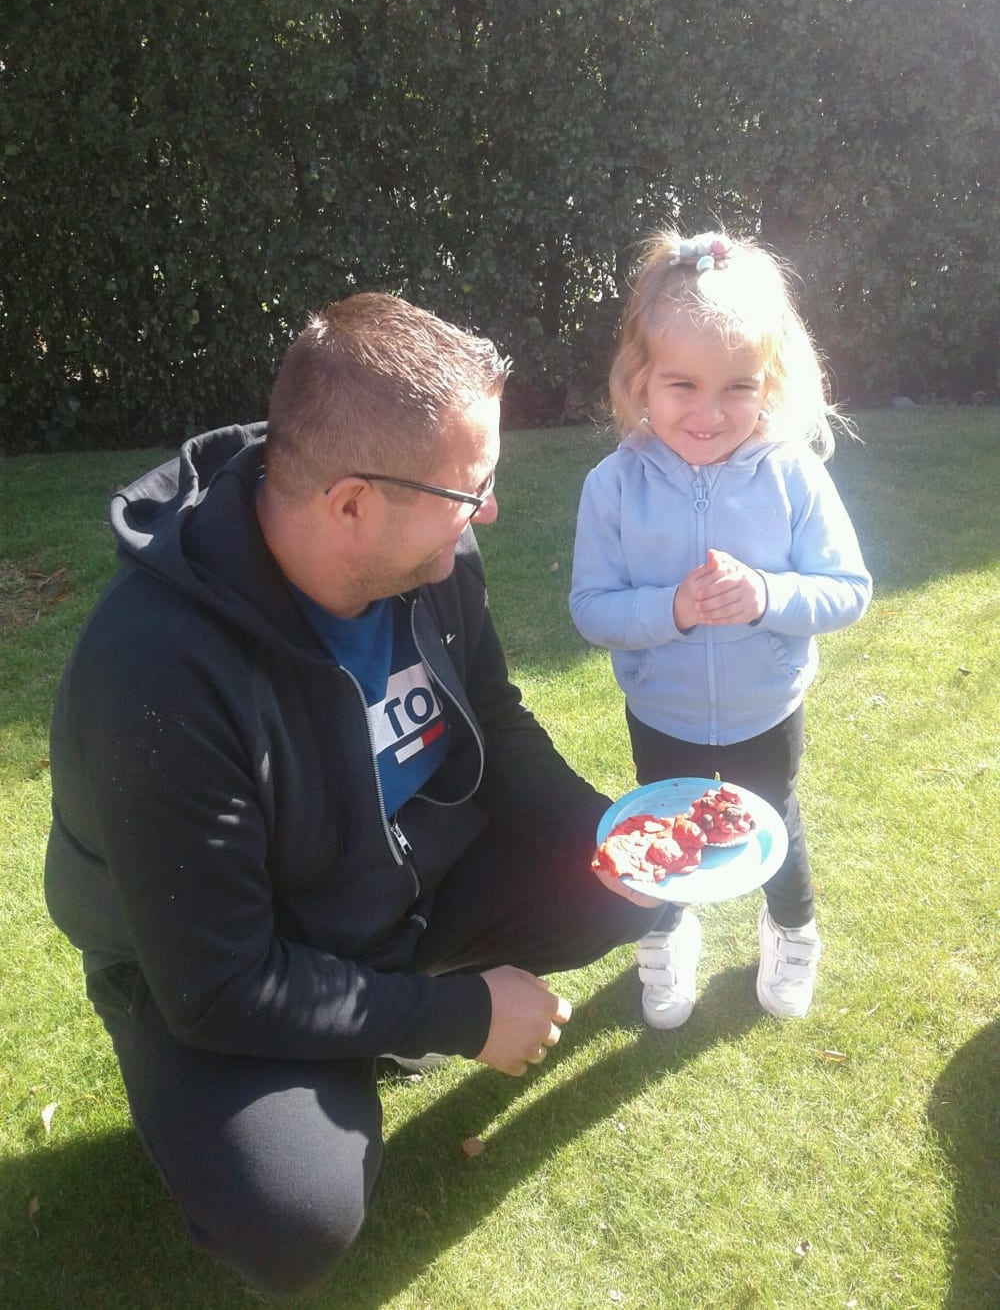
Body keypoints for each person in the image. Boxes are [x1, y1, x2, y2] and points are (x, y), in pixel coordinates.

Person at [44, 293, 671, 1298]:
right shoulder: (156, 673)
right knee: (295, 1215)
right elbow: (220, 983)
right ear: (349, 506)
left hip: (392, 876)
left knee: (621, 882)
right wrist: (458, 1015)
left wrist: (613, 833)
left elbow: (494, 716)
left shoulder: (430, 552)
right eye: (471, 488)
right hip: (215, 959)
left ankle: (366, 1021)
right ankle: (273, 1061)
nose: (488, 510)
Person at [569, 230, 872, 1031]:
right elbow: (592, 608)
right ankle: (667, 931)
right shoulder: (612, 486)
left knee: (772, 817)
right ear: (640, 377)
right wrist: (673, 608)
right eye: (683, 385)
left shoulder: (794, 474)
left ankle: (793, 930)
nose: (709, 413)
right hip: (660, 710)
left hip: (765, 708)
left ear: (770, 381)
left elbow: (848, 589)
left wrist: (766, 595)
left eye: (738, 387)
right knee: (661, 824)